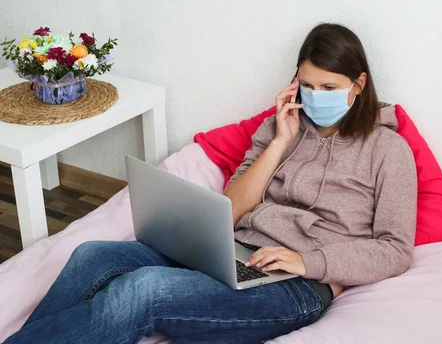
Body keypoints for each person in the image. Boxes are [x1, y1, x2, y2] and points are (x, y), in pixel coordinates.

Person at [5, 23, 417, 344]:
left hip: (298, 286)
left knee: (144, 291)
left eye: (329, 88)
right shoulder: (279, 127)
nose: (315, 97)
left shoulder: (388, 150)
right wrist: (279, 143)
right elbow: (232, 208)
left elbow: (396, 250)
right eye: (307, 87)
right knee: (91, 255)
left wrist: (309, 262)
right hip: (235, 256)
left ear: (358, 86)